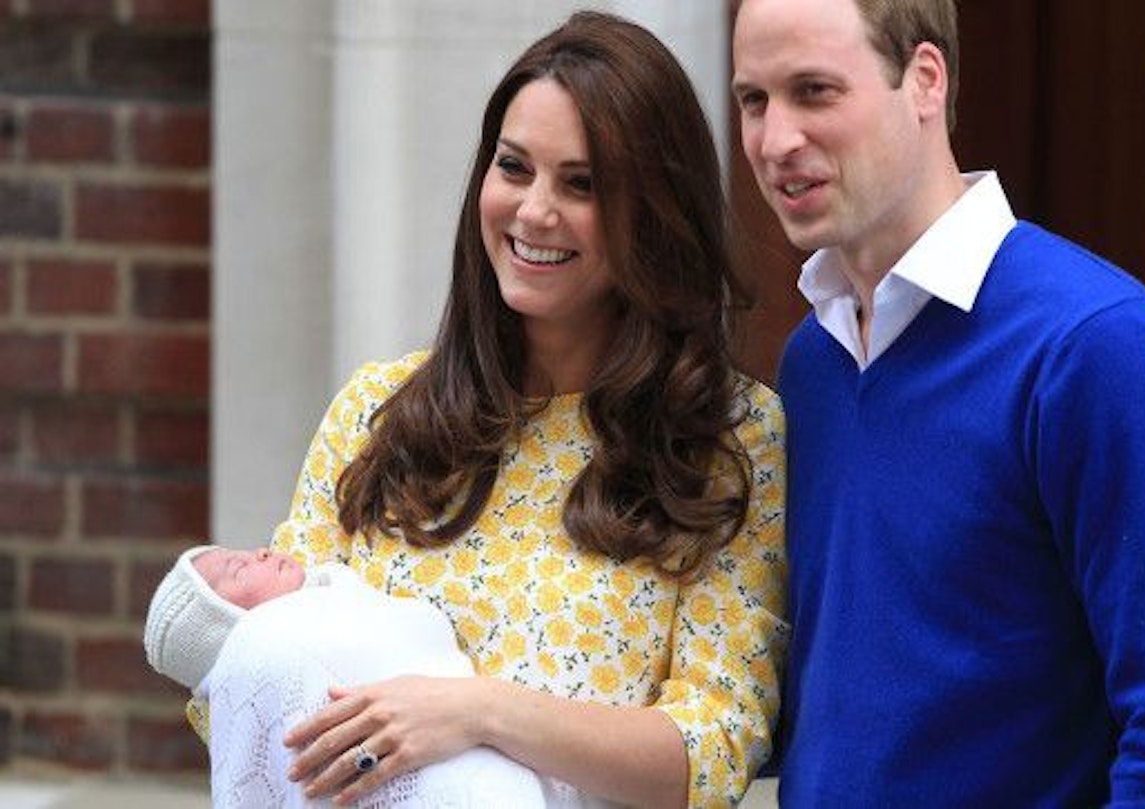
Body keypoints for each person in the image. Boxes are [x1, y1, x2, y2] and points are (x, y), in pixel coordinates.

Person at [251, 10, 786, 809]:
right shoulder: (376, 412)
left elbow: (711, 749)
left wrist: (476, 712)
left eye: (582, 184)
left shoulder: (729, 438)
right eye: (514, 167)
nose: (534, 211)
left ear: (657, 213)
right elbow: (260, 669)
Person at [730, 0, 1145, 805]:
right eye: (753, 100)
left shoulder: (1098, 348)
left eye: (815, 91)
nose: (775, 140)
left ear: (925, 80)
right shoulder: (815, 362)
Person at [144, 545, 547, 808]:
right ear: (226, 627)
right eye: (239, 569)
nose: (261, 553)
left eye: (247, 551)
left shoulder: (341, 594)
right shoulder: (271, 651)